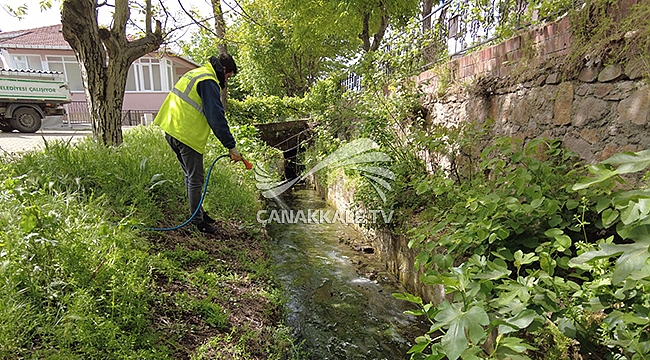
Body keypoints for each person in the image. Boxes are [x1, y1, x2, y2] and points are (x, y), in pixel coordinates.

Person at [154, 54, 243, 234]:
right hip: (186, 134)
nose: (227, 80)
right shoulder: (208, 81)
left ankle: (198, 212)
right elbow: (216, 117)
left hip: (171, 129)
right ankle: (197, 222)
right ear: (224, 70)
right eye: (228, 76)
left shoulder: (197, 73)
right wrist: (231, 146)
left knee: (190, 175)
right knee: (195, 178)